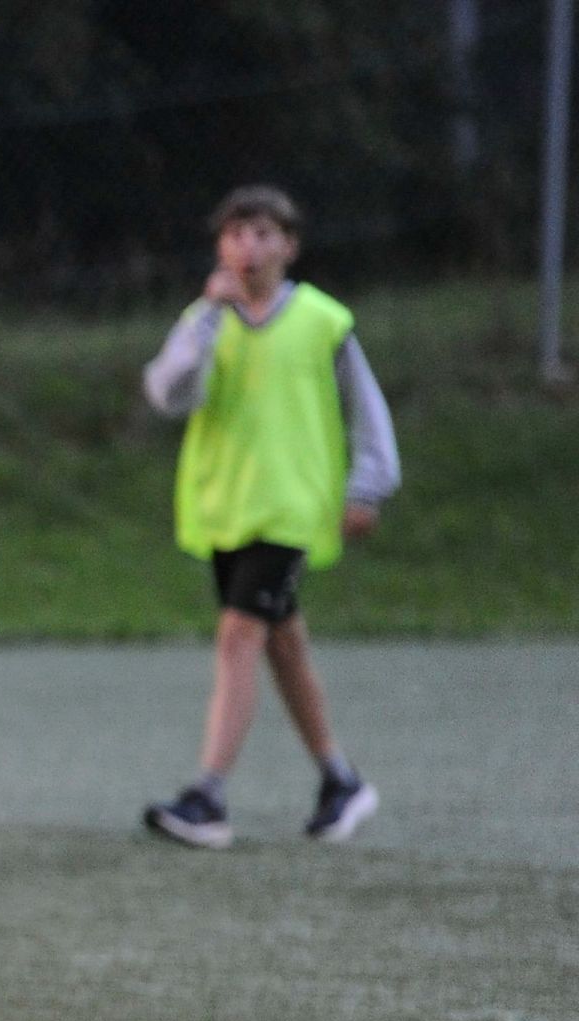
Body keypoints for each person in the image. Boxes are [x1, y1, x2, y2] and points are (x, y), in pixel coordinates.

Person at [140, 184, 400, 850]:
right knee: (283, 645)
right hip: (227, 508)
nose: (247, 247)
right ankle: (340, 780)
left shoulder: (322, 321)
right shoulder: (205, 319)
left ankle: (208, 796)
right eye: (235, 234)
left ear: (289, 246)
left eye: (261, 233)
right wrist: (206, 320)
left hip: (292, 507)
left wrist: (368, 486)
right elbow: (168, 395)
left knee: (238, 636)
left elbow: (366, 410)